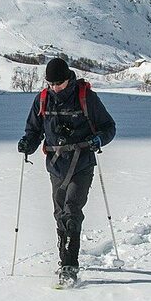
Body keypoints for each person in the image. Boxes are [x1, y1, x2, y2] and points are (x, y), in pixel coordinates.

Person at [17, 57, 117, 286]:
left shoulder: (86, 98)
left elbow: (109, 127)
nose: (54, 88)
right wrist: (27, 144)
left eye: (58, 84)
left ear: (68, 79)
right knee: (60, 213)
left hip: (82, 163)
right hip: (55, 165)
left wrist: (98, 140)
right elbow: (33, 130)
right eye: (50, 84)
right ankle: (64, 257)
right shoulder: (42, 99)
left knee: (71, 211)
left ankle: (69, 265)